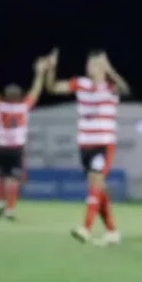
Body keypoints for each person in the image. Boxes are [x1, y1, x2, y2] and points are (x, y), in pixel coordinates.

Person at [45, 49, 131, 245]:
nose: (89, 67)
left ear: (102, 67)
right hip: (85, 144)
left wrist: (110, 70)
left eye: (94, 64)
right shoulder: (81, 84)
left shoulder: (110, 87)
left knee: (96, 183)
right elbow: (53, 88)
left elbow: (126, 89)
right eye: (88, 63)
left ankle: (85, 228)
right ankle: (112, 231)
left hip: (103, 143)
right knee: (97, 189)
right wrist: (50, 70)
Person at [0, 56, 47, 220]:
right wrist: (40, 73)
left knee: (2, 177)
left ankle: (0, 203)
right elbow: (36, 91)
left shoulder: (0, 105)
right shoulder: (23, 106)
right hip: (16, 148)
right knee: (13, 179)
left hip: (1, 147)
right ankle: (10, 209)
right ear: (19, 95)